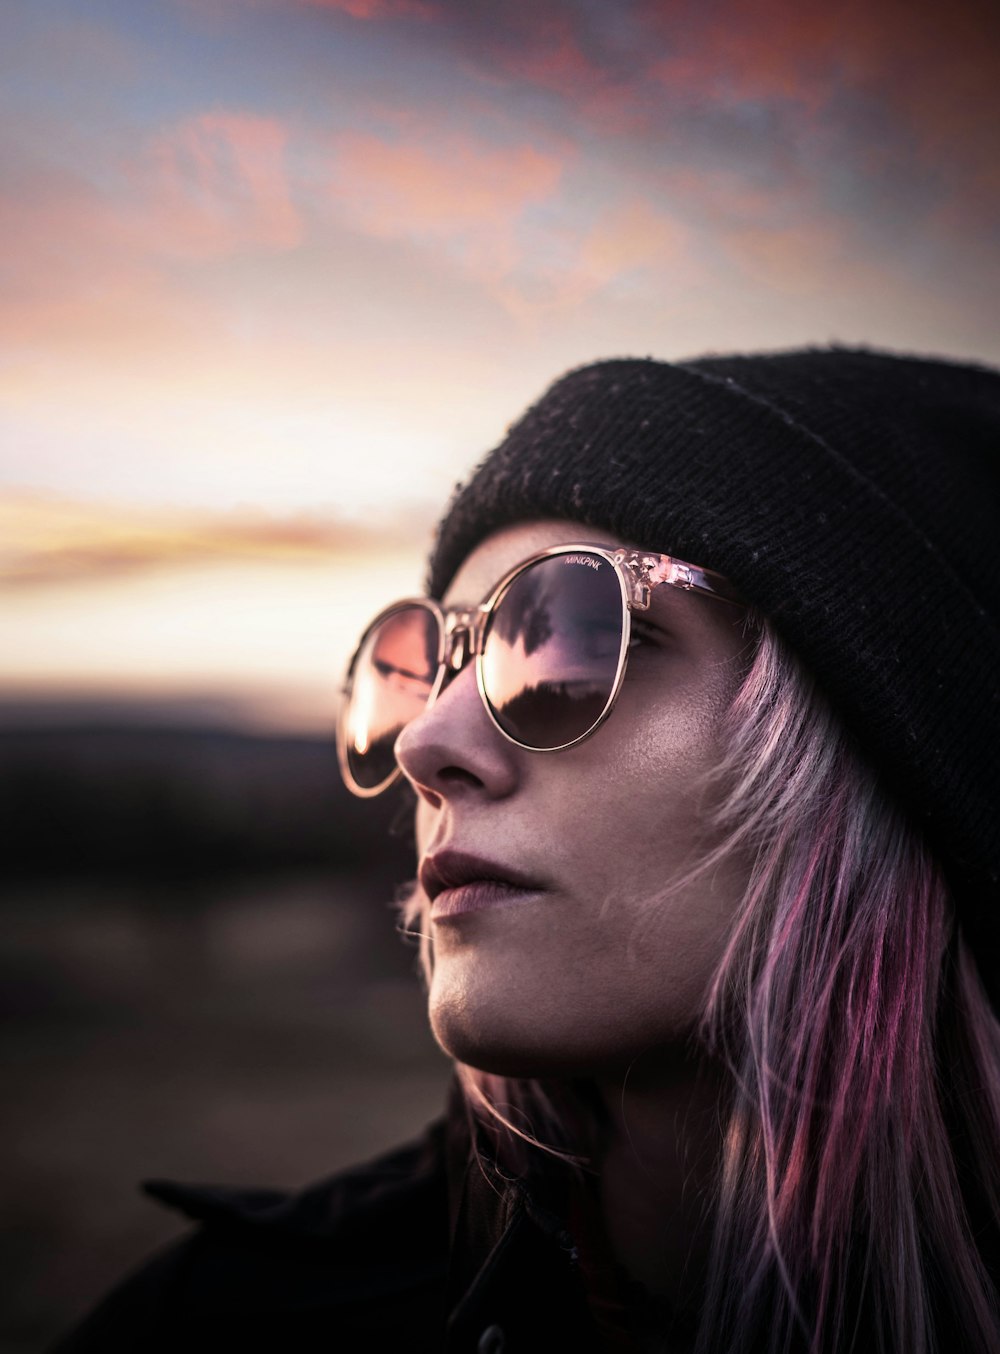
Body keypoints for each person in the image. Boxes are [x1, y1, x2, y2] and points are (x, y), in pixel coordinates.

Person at [53, 347, 1000, 1353]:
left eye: (566, 642)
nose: (426, 743)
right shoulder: (214, 1330)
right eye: (430, 667)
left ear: (905, 738)